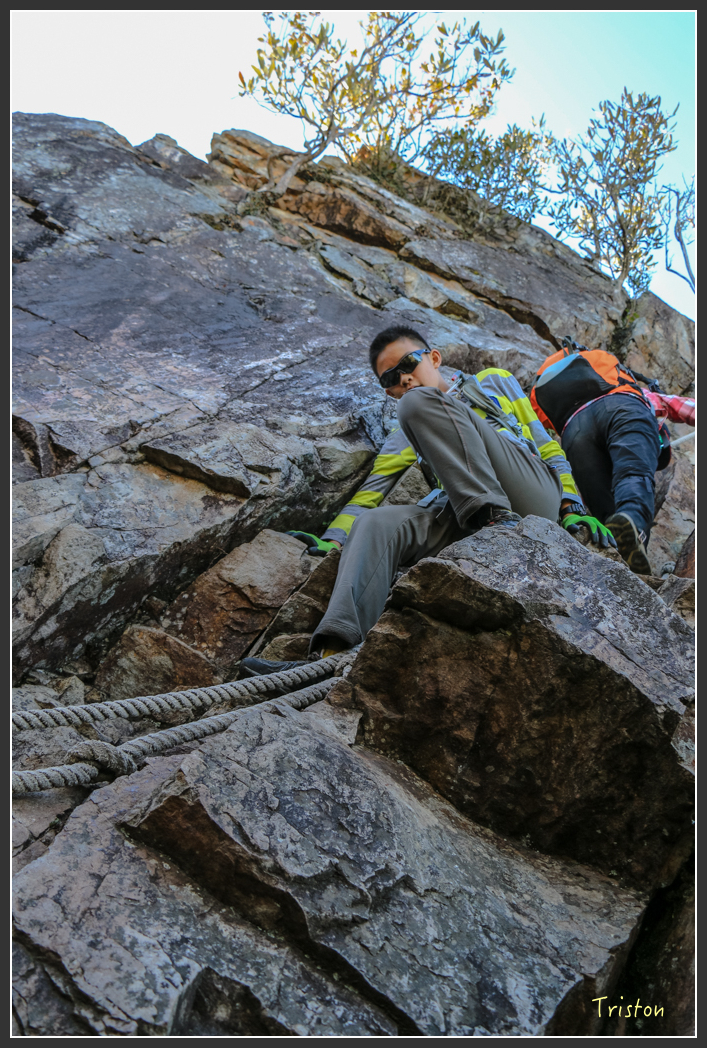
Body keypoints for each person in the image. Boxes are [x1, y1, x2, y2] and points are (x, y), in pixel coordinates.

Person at [241, 325, 615, 673]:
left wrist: (572, 507)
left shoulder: (493, 382)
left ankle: (495, 520)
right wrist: (332, 541)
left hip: (528, 493)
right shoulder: (406, 425)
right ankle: (330, 658)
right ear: (388, 391)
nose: (403, 378)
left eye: (408, 363)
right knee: (375, 524)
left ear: (433, 358)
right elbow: (370, 494)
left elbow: (546, 446)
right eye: (390, 378)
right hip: (462, 517)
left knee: (418, 403)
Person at [529, 338, 685, 576]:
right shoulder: (630, 389)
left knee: (604, 509)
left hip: (574, 432)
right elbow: (682, 406)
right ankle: (634, 527)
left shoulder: (557, 394)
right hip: (622, 409)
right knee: (633, 474)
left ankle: (616, 561)